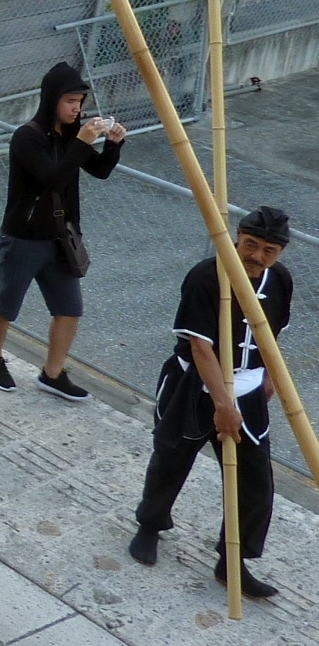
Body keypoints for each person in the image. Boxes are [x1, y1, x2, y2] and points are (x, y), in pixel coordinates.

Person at [128, 207, 293, 599]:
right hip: (195, 385)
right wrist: (222, 404)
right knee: (171, 458)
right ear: (238, 236)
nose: (256, 255)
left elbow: (273, 333)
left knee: (254, 480)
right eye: (250, 245)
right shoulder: (207, 275)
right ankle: (150, 525)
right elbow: (200, 346)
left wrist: (269, 376)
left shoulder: (280, 280)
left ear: (280, 252)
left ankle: (232, 561)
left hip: (248, 389)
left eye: (268, 250)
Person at [0, 62, 125, 400]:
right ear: (51, 101)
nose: (76, 108)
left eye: (79, 101)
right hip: (24, 237)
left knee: (69, 309)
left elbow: (100, 170)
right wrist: (83, 141)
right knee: (7, 304)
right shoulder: (27, 137)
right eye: (69, 101)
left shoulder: (73, 136)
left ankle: (53, 373)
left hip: (61, 237)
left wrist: (113, 145)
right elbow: (52, 178)